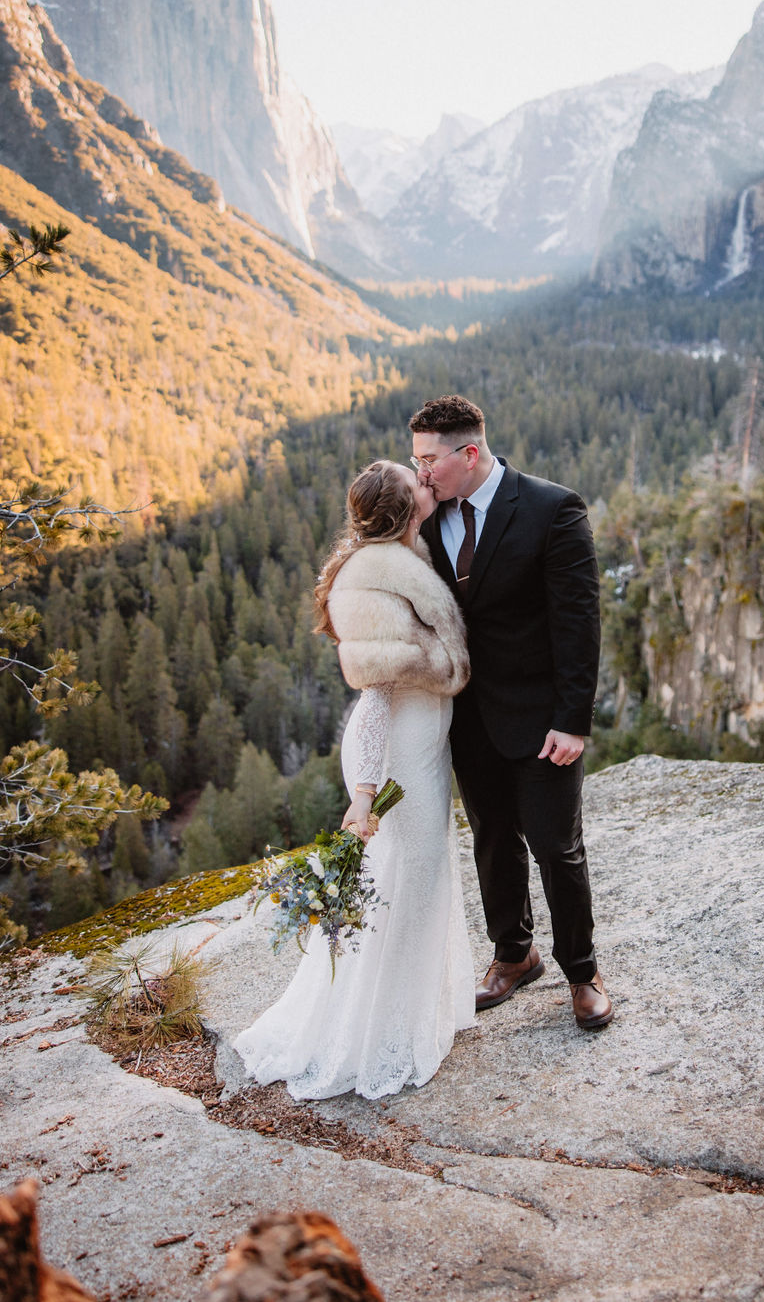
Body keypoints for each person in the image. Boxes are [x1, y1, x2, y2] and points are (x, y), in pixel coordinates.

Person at [234, 460, 475, 1099]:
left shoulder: (398, 557)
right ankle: (384, 1034)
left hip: (424, 749)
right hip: (400, 758)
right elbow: (371, 699)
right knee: (409, 886)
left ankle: (413, 1013)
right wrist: (364, 792)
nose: (430, 481)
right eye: (419, 482)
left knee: (419, 882)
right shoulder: (371, 578)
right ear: (404, 511)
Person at [409, 395, 612, 1030]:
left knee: (557, 845)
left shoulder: (553, 508)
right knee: (493, 841)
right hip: (465, 719)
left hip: (540, 717)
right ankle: (513, 957)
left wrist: (573, 719)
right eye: (415, 460)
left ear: (469, 454)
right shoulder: (425, 515)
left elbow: (579, 622)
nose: (420, 474)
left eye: (428, 461)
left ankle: (582, 972)